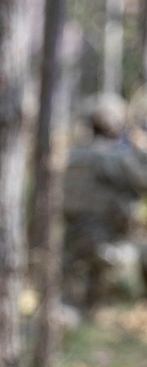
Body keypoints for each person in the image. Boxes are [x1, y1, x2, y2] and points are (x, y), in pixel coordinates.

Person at [62, 94, 147, 310]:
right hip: (107, 245)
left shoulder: (75, 153)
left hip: (74, 241)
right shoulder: (115, 158)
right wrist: (140, 147)